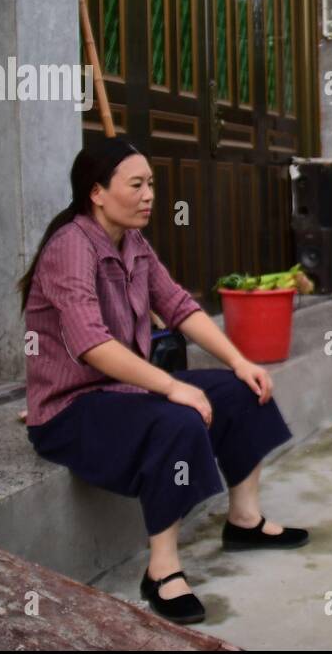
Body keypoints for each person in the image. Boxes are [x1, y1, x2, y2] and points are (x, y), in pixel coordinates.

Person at [20, 136, 309, 625]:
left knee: (244, 392)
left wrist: (239, 361)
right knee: (176, 417)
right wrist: (172, 385)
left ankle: (245, 520)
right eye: (136, 184)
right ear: (97, 192)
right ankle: (163, 569)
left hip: (123, 392)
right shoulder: (71, 247)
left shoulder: (132, 242)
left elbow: (177, 305)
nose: (150, 194)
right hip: (71, 409)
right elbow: (91, 345)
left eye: (151, 183)